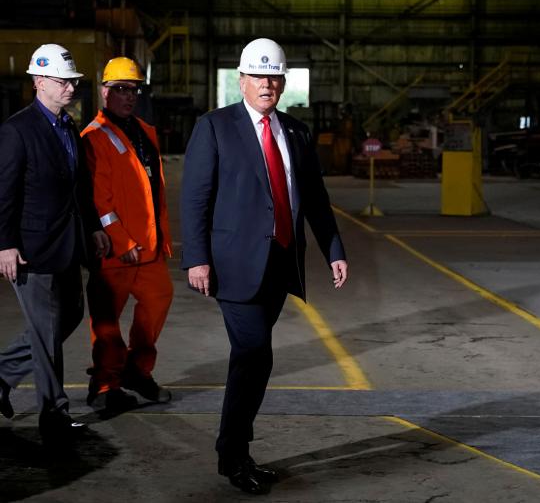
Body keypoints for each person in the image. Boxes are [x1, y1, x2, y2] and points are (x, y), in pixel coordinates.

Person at [181, 37, 348, 495]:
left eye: (274, 76)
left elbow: (314, 197)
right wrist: (196, 257)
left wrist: (333, 248)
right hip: (233, 266)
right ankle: (233, 455)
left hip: (280, 263)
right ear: (242, 79)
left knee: (253, 359)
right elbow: (195, 198)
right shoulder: (214, 127)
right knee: (255, 354)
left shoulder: (294, 131)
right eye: (258, 75)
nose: (267, 84)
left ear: (283, 80)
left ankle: (237, 451)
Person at [0, 44, 109, 443]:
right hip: (29, 248)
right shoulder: (17, 130)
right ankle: (54, 415)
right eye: (64, 81)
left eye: (73, 81)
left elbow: (80, 186)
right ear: (39, 82)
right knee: (46, 334)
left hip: (67, 243)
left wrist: (94, 227)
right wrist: (4, 244)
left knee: (68, 318)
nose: (71, 87)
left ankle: (2, 375)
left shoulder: (68, 127)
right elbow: (3, 192)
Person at [81, 57, 173, 413]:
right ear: (105, 92)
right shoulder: (94, 137)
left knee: (158, 301)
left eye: (133, 89)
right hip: (117, 251)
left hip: (149, 248)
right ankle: (105, 384)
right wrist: (121, 241)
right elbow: (98, 200)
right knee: (106, 321)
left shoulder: (144, 131)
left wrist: (161, 237)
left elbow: (153, 190)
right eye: (120, 89)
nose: (127, 96)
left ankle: (137, 370)